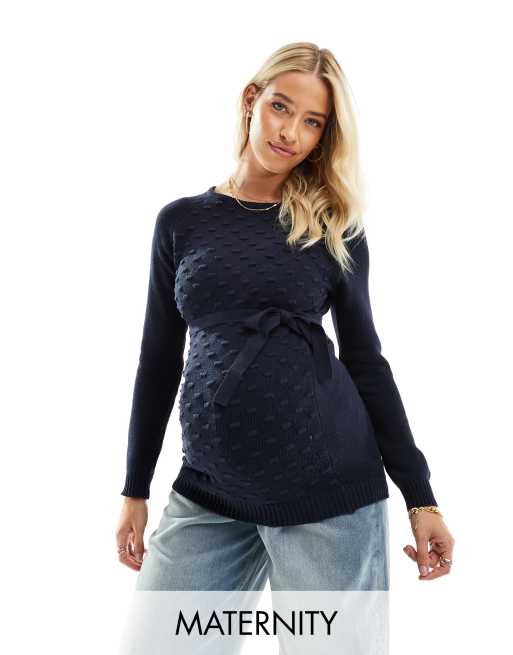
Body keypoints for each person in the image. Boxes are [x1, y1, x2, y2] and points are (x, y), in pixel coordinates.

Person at [116, 40, 455, 651]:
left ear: (324, 136)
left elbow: (366, 363)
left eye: (313, 122)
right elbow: (158, 360)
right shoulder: (181, 222)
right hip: (210, 493)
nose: (290, 132)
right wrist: (134, 488)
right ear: (252, 99)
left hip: (328, 497)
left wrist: (421, 498)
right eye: (281, 107)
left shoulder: (334, 226)